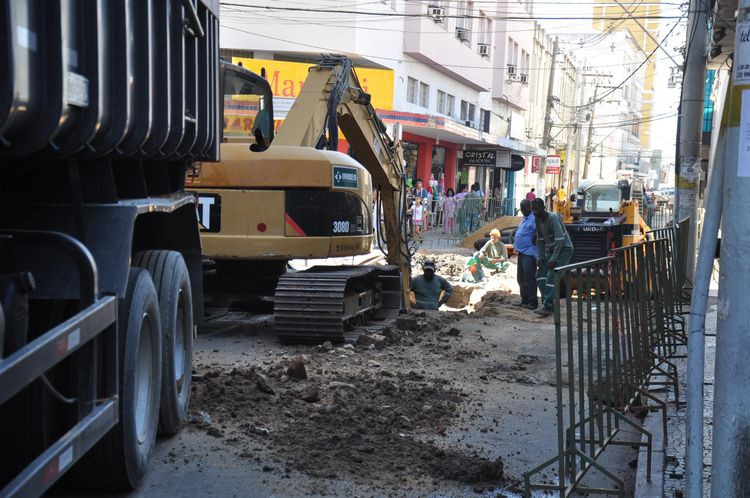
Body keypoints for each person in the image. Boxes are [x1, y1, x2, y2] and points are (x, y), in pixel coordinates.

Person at [532, 197, 574, 317]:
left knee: (552, 275)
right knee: (540, 274)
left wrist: (553, 259)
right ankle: (548, 303)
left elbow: (560, 240)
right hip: (552, 250)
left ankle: (547, 306)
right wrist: (540, 257)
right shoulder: (537, 219)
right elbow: (540, 240)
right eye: (533, 209)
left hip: (564, 249)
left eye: (537, 209)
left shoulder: (553, 218)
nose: (534, 212)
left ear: (543, 208)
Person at [514, 199, 538, 310]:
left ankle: (533, 302)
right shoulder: (525, 218)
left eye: (524, 208)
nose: (522, 211)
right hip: (521, 252)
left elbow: (540, 230)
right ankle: (524, 300)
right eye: (521, 208)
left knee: (529, 278)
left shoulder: (533, 219)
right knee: (520, 278)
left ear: (530, 207)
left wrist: (536, 236)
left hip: (529, 252)